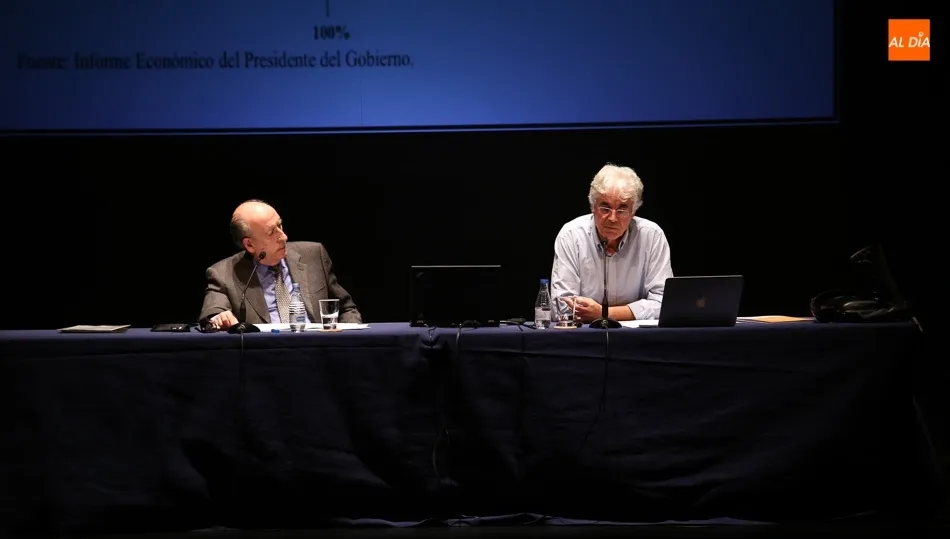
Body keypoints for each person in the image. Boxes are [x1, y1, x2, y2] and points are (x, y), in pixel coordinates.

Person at [200, 200, 362, 330]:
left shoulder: (313, 254)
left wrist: (343, 342)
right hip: (268, 357)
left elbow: (347, 309)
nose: (284, 236)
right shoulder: (222, 273)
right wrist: (218, 318)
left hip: (319, 351)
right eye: (272, 232)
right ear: (249, 244)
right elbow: (212, 312)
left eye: (280, 225)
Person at [550, 164, 673, 322]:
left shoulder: (652, 236)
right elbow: (562, 307)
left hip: (636, 339)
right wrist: (630, 312)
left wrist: (605, 314)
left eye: (622, 209)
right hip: (584, 337)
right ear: (593, 207)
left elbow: (663, 303)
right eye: (605, 208)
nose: (613, 218)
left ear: (633, 211)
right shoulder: (571, 236)